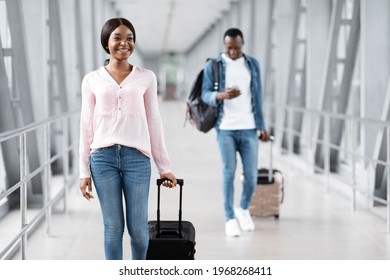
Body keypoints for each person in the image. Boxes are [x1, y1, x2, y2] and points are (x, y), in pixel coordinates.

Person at [78, 18, 177, 260]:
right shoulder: (92, 79)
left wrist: (164, 166)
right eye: (118, 37)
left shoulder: (147, 77)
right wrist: (84, 171)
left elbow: (154, 121)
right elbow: (85, 125)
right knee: (113, 229)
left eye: (129, 38)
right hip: (102, 159)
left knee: (139, 231)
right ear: (106, 42)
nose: (125, 43)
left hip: (137, 158)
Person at [201, 28, 269, 237]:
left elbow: (257, 97)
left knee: (250, 176)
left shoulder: (252, 64)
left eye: (236, 48)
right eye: (229, 47)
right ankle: (230, 218)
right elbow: (205, 95)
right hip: (226, 128)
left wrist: (262, 126)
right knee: (228, 173)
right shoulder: (213, 66)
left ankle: (243, 208)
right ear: (224, 45)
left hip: (249, 128)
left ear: (242, 43)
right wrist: (222, 95)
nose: (232, 51)